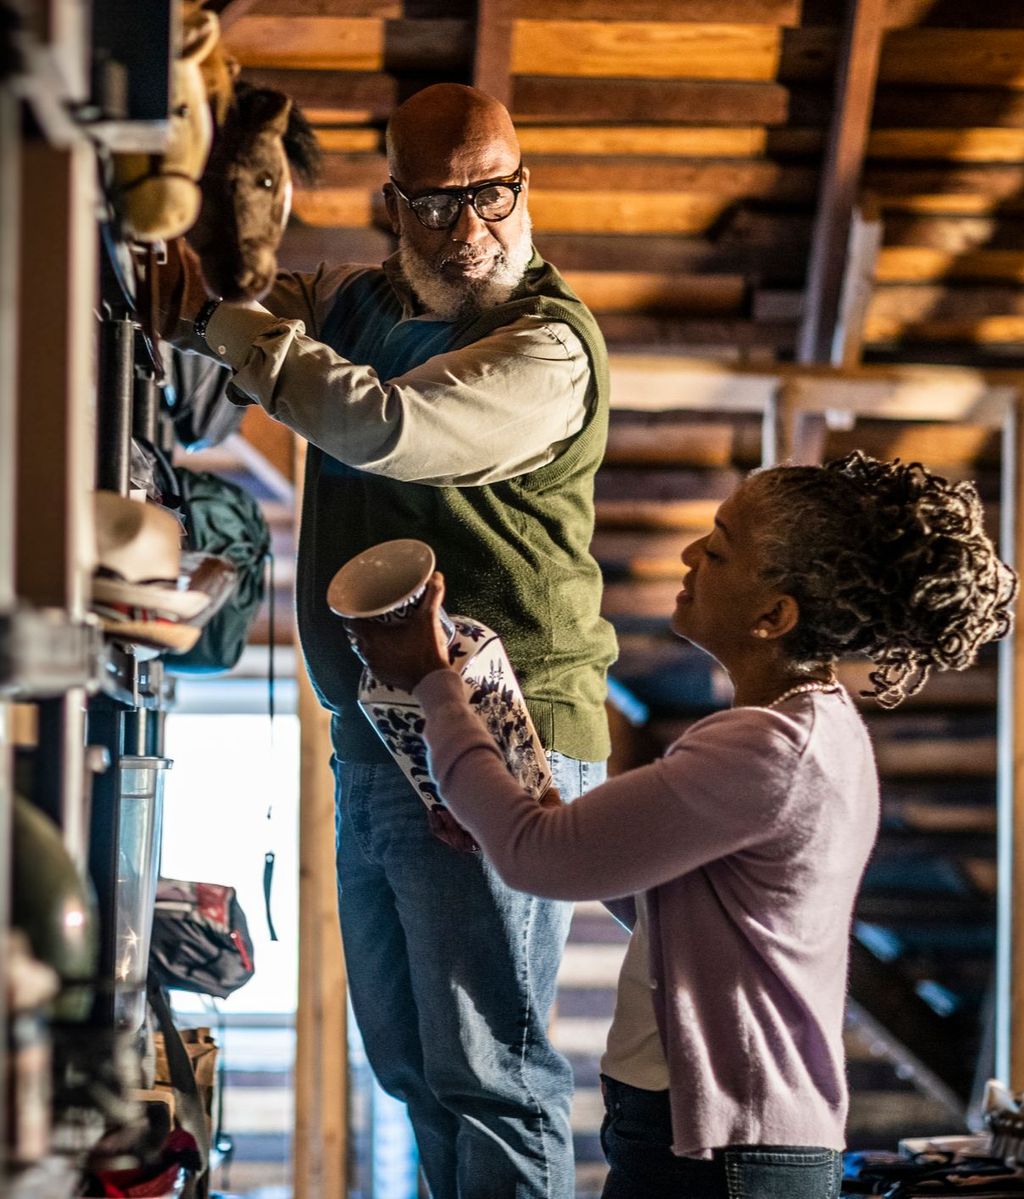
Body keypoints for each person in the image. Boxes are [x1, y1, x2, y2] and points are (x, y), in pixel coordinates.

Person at [165, 83, 617, 1198]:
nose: (470, 225)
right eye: (434, 201)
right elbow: (254, 292)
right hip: (375, 742)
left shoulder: (547, 346)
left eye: (491, 192)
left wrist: (221, 318)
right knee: (415, 1070)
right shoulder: (360, 300)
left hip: (503, 740)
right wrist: (206, 274)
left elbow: (384, 425)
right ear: (393, 204)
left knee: (491, 1076)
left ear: (524, 184)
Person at [347, 452, 1018, 1199]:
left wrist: (435, 685)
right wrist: (500, 815)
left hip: (723, 1158)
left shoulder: (766, 748)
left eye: (721, 547)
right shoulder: (811, 733)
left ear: (774, 617)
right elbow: (662, 902)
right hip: (727, 1146)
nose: (691, 555)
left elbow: (539, 856)